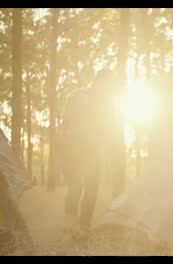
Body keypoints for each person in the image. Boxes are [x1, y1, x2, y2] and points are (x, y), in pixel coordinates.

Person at [58, 70, 114, 238]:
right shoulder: (78, 96)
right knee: (75, 186)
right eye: (105, 84)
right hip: (75, 147)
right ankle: (70, 226)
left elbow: (106, 127)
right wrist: (65, 144)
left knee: (92, 188)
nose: (107, 88)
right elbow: (65, 121)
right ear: (97, 81)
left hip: (94, 149)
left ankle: (84, 228)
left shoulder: (105, 103)